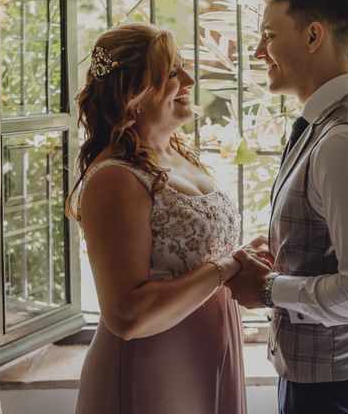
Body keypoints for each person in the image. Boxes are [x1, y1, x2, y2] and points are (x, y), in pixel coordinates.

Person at [227, 0, 348, 413]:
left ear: (313, 36)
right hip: (327, 385)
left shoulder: (345, 139)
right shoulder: (323, 128)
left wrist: (270, 288)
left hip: (347, 391)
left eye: (268, 35)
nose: (257, 52)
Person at [67, 23, 249, 414]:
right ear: (134, 93)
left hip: (208, 355)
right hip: (152, 368)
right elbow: (127, 316)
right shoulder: (116, 177)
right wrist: (229, 266)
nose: (190, 79)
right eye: (172, 73)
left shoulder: (180, 155)